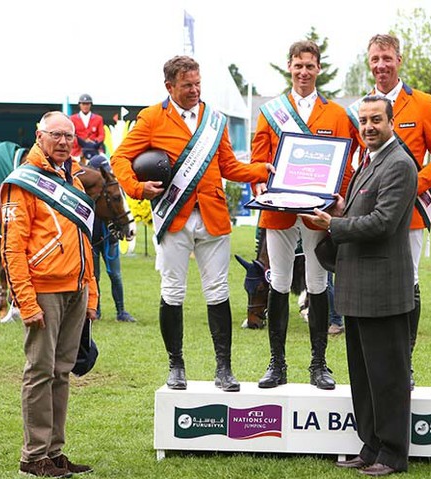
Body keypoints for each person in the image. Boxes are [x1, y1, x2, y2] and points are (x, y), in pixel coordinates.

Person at [111, 55, 271, 392]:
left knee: (218, 292)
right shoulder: (152, 118)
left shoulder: (215, 119)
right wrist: (137, 188)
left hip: (212, 215)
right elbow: (120, 157)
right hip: (174, 216)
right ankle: (176, 366)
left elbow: (228, 166)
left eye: (198, 84)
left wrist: (260, 170)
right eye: (187, 86)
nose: (195, 90)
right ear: (169, 86)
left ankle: (224, 369)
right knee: (173, 291)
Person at [303, 95, 417, 476]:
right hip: (358, 287)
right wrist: (340, 211)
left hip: (382, 288)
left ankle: (393, 454)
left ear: (391, 121)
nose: (368, 127)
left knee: (387, 376)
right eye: (364, 120)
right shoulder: (369, 161)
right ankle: (371, 446)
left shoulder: (399, 164)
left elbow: (383, 222)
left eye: (376, 120)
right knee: (365, 377)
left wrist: (332, 225)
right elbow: (363, 213)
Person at [251, 40, 358, 390]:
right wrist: (260, 186)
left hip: (316, 210)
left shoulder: (337, 114)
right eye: (298, 66)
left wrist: (338, 196)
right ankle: (276, 364)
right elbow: (258, 161)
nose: (303, 72)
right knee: (278, 282)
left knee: (316, 283)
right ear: (289, 67)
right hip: (280, 210)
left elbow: (348, 159)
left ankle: (319, 365)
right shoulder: (271, 112)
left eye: (310, 66)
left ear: (318, 69)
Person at [349, 34, 431, 389]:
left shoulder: (422, 103)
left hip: (408, 214)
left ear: (399, 60)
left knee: (406, 284)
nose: (381, 65)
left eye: (387, 58)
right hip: (366, 212)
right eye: (375, 59)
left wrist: (413, 186)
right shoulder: (361, 106)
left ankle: (403, 365)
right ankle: (377, 364)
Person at [0, 111, 98, 478]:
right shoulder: (24, 182)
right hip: (43, 290)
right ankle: (33, 456)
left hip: (75, 288)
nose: (62, 141)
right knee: (40, 372)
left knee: (61, 372)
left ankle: (54, 453)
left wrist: (91, 290)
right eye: (55, 135)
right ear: (39, 136)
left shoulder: (73, 177)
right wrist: (26, 302)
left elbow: (85, 240)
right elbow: (12, 249)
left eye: (67, 136)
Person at [91, 215, 137, 322]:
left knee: (115, 275)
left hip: (110, 239)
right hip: (93, 240)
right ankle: (95, 310)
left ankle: (121, 311)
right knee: (94, 276)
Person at [70, 94, 105, 162]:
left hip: (94, 149)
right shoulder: (72, 118)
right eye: (83, 104)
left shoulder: (98, 119)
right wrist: (83, 142)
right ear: (80, 104)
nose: (85, 106)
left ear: (90, 105)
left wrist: (94, 142)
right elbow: (72, 134)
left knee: (105, 162)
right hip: (78, 150)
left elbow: (102, 135)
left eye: (87, 104)